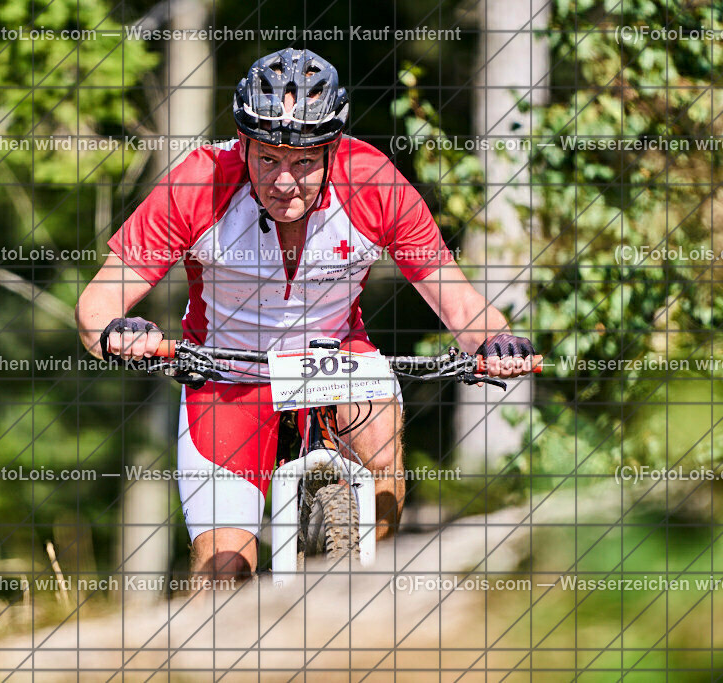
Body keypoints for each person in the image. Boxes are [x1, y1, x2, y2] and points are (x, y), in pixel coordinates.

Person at [76, 48, 539, 585]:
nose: (285, 180)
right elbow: (99, 302)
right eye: (267, 158)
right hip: (229, 371)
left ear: (333, 149)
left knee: (382, 449)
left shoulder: (372, 183)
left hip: (333, 354)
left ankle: (365, 579)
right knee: (223, 571)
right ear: (243, 143)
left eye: (304, 161)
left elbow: (454, 298)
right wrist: (120, 332)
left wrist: (497, 343)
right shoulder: (198, 184)